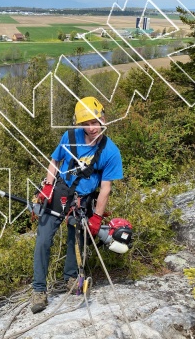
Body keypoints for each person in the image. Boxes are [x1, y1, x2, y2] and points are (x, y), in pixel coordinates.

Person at [30, 96, 123, 314]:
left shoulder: (110, 152)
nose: (91, 128)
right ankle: (39, 290)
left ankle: (70, 278)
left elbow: (106, 188)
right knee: (43, 238)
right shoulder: (70, 137)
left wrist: (97, 217)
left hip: (85, 198)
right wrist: (47, 186)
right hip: (61, 191)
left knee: (76, 239)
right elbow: (55, 161)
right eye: (86, 124)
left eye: (94, 121)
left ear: (102, 118)